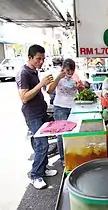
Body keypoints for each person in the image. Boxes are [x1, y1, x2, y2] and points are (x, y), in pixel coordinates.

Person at [16, 44, 57, 189]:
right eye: (38, 59)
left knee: (42, 143)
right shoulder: (24, 73)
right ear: (30, 58)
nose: (41, 62)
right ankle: (35, 175)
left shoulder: (33, 71)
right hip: (32, 115)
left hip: (40, 112)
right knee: (42, 145)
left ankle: (43, 168)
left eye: (43, 59)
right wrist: (41, 84)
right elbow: (24, 97)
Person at [46, 58, 82, 165]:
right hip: (60, 108)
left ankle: (72, 155)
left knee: (73, 133)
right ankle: (63, 159)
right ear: (63, 69)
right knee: (62, 134)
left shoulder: (74, 78)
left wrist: (80, 87)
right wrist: (58, 78)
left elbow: (79, 91)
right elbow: (49, 90)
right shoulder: (58, 77)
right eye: (68, 70)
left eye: (72, 70)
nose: (70, 73)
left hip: (73, 108)